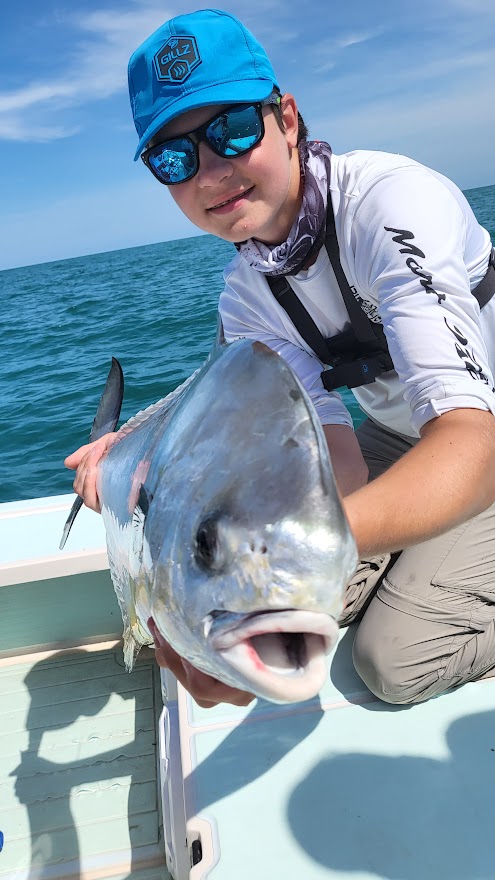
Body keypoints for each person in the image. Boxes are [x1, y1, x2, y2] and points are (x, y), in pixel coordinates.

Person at [65, 9, 495, 709]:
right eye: (173, 159)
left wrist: (298, 553)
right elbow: (336, 457)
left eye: (231, 129)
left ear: (286, 119)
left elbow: (470, 447)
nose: (209, 172)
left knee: (395, 661)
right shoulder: (246, 299)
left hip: (479, 430)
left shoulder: (389, 204)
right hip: (395, 438)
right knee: (291, 606)